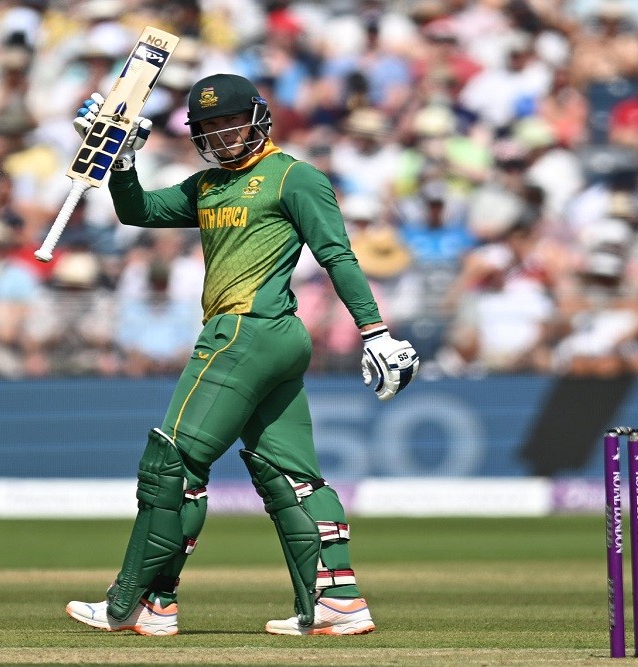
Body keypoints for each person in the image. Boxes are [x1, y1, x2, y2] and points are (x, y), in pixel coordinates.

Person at [64, 73, 419, 636]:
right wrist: (122, 160)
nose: (223, 134)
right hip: (270, 341)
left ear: (258, 118)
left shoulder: (294, 176)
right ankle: (337, 601)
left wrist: (374, 331)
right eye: (209, 126)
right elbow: (138, 212)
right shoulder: (207, 185)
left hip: (243, 333)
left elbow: (337, 255)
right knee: (290, 475)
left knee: (173, 465)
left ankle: (140, 602)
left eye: (231, 120)